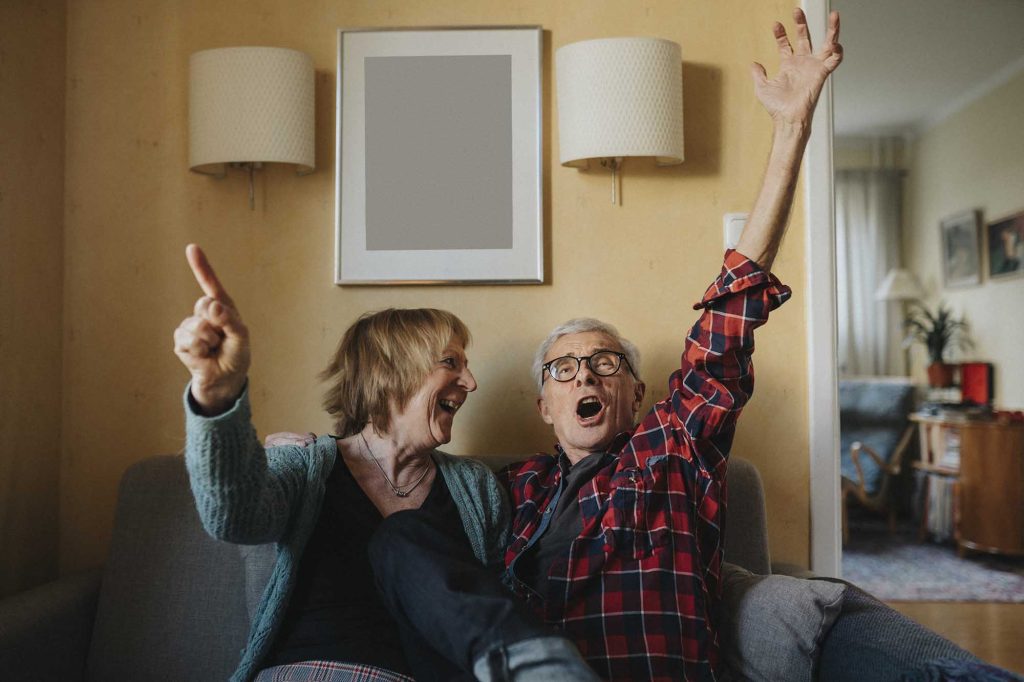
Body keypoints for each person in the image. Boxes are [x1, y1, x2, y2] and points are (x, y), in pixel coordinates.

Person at [172, 245, 596, 682]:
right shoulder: (305, 463)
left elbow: (494, 606)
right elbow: (234, 518)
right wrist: (218, 395)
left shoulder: (477, 488)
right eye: (450, 362)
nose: (470, 382)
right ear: (393, 371)